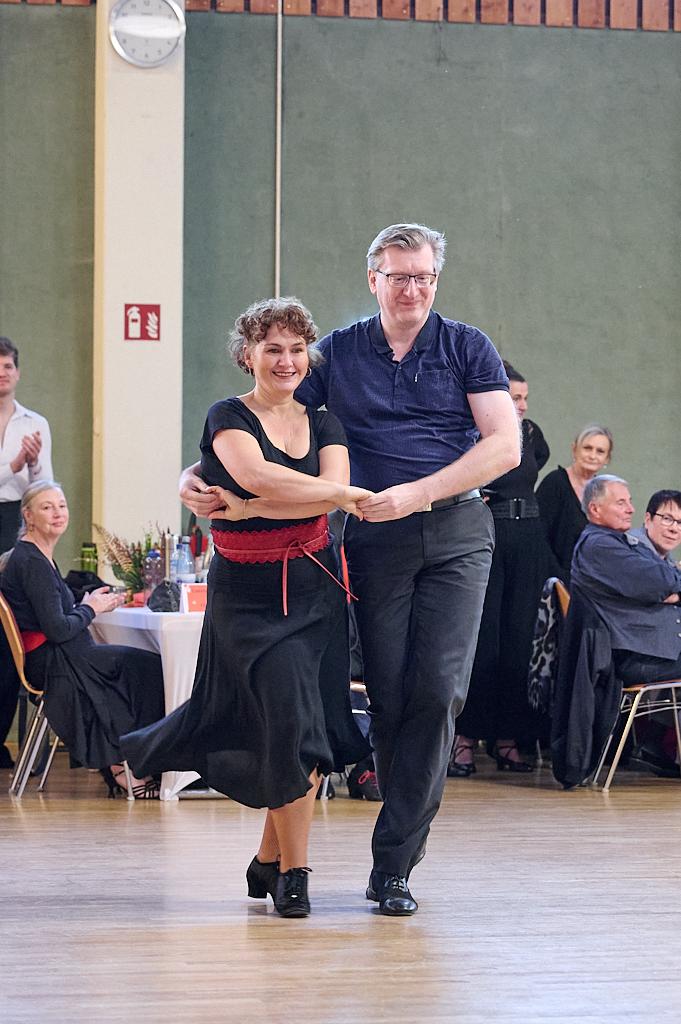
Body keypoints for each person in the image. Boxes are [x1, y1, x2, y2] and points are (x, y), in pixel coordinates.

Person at [179, 224, 520, 916]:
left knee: (438, 692)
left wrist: (420, 492)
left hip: (455, 532)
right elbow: (267, 421)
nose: (412, 288)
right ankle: (280, 851)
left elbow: (505, 446)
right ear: (373, 279)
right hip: (369, 541)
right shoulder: (334, 353)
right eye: (398, 276)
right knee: (390, 696)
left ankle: (393, 865)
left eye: (423, 276)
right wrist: (193, 473)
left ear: (435, 280)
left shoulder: (466, 347)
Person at [121, 297, 371, 919]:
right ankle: (295, 872)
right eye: (272, 349)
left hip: (314, 591)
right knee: (283, 720)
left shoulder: (326, 421)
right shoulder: (227, 416)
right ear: (247, 356)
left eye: (295, 349)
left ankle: (275, 860)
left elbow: (315, 503)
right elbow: (263, 478)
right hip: (248, 596)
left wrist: (295, 500)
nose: (286, 361)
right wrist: (321, 493)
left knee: (301, 731)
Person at [0, 480, 165, 797]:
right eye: (47, 507)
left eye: (61, 505)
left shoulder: (35, 555)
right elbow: (59, 629)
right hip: (57, 664)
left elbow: (55, 613)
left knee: (139, 664)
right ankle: (128, 768)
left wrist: (88, 602)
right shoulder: (32, 561)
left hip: (62, 657)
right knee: (150, 670)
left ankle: (134, 765)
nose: (58, 513)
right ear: (28, 516)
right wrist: (91, 608)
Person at [451, 361, 552, 776]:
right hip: (487, 537)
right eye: (514, 398)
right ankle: (465, 739)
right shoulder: (475, 434)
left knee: (518, 642)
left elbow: (529, 473)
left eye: (525, 398)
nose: (523, 405)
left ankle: (509, 738)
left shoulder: (531, 436)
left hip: (527, 539)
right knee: (484, 641)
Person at [571, 475, 681, 705]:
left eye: (630, 501)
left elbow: (663, 580)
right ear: (595, 508)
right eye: (621, 503)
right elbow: (660, 580)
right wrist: (668, 590)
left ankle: (652, 741)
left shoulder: (614, 541)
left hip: (654, 650)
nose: (631, 509)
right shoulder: (600, 546)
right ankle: (652, 739)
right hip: (639, 659)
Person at [0, 336, 54, 769]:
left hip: (14, 522)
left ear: (18, 372)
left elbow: (43, 485)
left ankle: (3, 740)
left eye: (8, 366)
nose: (3, 372)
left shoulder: (34, 421)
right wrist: (14, 465)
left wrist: (31, 466)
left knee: (10, 632)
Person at [536, 424, 613, 584]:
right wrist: (559, 580)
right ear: (574, 449)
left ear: (607, 458)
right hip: (553, 580)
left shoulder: (605, 492)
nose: (592, 455)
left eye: (600, 451)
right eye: (587, 448)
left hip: (590, 582)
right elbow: (538, 537)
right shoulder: (555, 482)